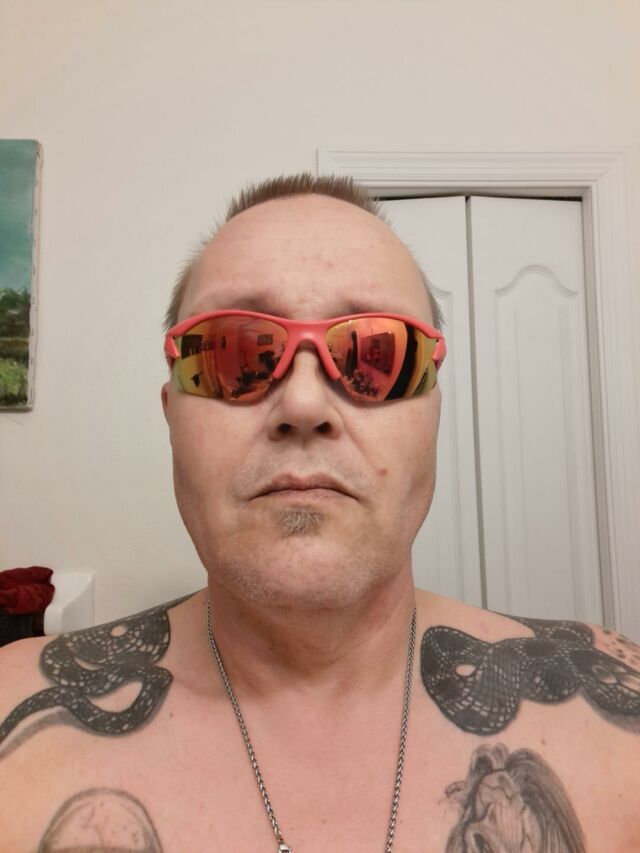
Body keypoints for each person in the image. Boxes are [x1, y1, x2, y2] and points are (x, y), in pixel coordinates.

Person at [1, 173, 639, 852]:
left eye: (377, 354)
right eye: (234, 353)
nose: (304, 405)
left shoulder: (619, 727)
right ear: (172, 418)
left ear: (432, 417)